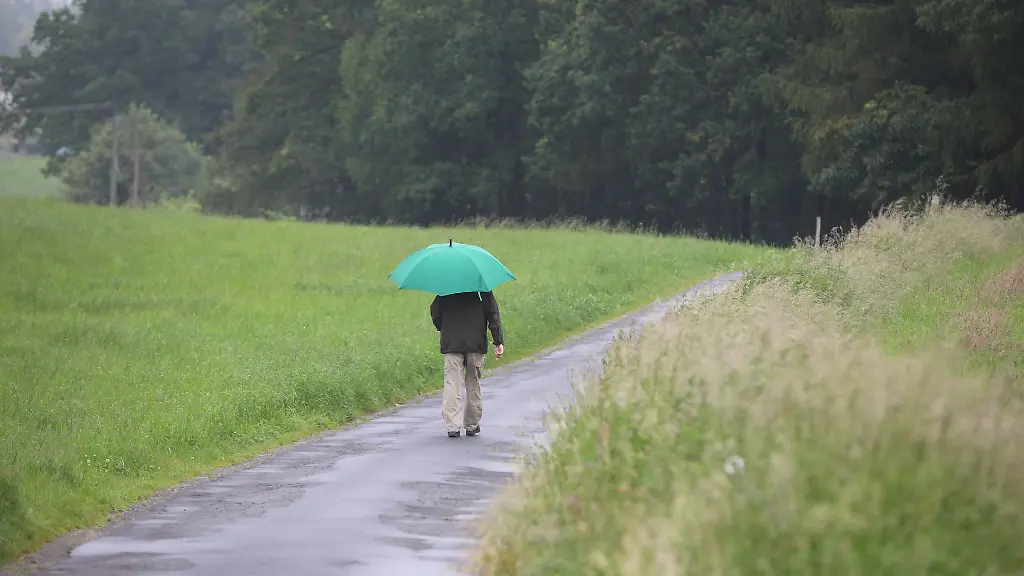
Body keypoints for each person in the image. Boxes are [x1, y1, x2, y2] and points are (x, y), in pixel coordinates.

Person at [430, 290, 504, 437]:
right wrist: (498, 341)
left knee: (452, 383)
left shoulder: (446, 288)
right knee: (473, 382)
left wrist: (443, 327)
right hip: (476, 343)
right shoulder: (483, 289)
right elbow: (493, 315)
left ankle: (453, 426)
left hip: (451, 343)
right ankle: (472, 424)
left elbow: (435, 314)